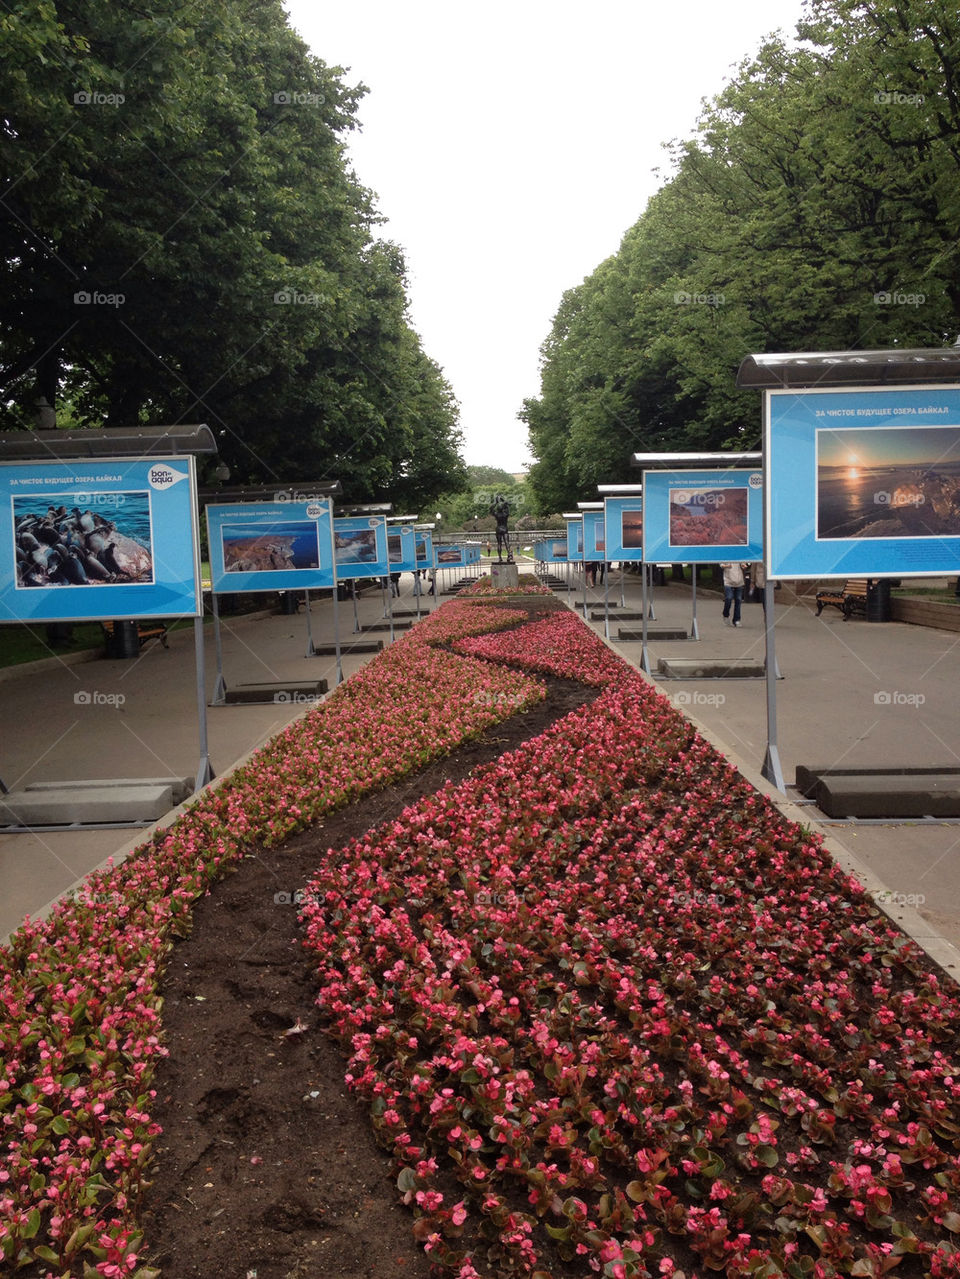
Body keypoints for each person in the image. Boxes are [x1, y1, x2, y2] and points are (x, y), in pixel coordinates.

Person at [720, 561, 748, 626]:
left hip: (739, 581)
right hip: (728, 581)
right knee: (729, 598)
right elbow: (721, 565)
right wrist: (726, 566)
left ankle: (736, 620)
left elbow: (742, 563)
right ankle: (725, 614)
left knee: (738, 600)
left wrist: (743, 565)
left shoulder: (738, 555)